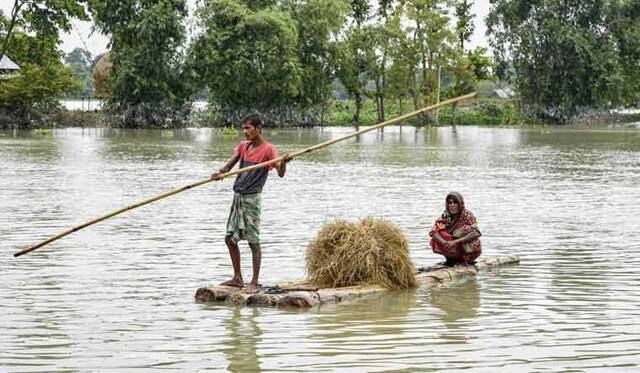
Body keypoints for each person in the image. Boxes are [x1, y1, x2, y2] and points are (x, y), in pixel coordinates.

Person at [211, 114, 291, 293]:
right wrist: (219, 173)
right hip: (238, 197)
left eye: (248, 128)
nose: (245, 132)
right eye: (244, 128)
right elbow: (229, 166)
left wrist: (284, 163)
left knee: (253, 241)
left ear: (258, 128)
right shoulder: (243, 146)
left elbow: (280, 172)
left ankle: (254, 281)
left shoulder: (269, 149)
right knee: (229, 238)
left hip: (252, 199)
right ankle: (237, 278)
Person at [429, 192, 482, 266]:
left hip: (466, 249)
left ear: (460, 204)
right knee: (439, 233)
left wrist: (455, 242)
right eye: (450, 203)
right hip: (454, 248)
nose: (452, 205)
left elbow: (477, 232)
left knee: (465, 230)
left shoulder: (467, 215)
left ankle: (465, 260)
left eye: (455, 203)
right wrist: (444, 242)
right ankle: (451, 260)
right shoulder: (445, 216)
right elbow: (433, 231)